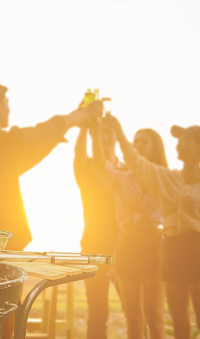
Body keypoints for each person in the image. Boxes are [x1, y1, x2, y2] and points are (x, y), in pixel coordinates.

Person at [0, 80, 103, 250]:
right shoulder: (11, 143)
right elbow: (51, 128)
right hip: (7, 250)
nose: (8, 108)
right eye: (6, 102)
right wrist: (85, 113)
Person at [107, 114, 200, 339]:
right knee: (180, 327)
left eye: (186, 140)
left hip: (197, 250)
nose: (179, 143)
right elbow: (135, 160)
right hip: (171, 251)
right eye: (178, 139)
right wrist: (117, 129)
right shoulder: (166, 177)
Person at [91, 120, 167, 339]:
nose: (137, 144)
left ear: (155, 148)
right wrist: (96, 131)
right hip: (128, 248)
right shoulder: (121, 178)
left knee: (156, 319)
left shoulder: (162, 178)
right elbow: (98, 163)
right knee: (134, 320)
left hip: (156, 247)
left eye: (144, 142)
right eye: (135, 141)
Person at [73, 118, 123, 339]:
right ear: (93, 137)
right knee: (98, 310)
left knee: (135, 309)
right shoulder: (87, 168)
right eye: (100, 132)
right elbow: (79, 154)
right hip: (94, 244)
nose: (106, 136)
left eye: (109, 132)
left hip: (127, 244)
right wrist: (85, 125)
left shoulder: (127, 169)